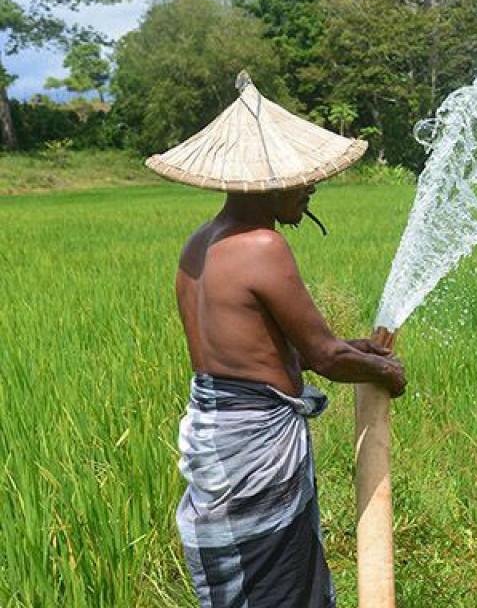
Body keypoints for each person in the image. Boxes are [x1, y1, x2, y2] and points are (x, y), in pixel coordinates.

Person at [147, 72, 406, 607]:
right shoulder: (262, 244)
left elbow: (261, 352)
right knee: (279, 588)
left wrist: (357, 349)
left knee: (251, 585)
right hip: (255, 445)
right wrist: (386, 371)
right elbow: (323, 357)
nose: (311, 186)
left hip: (220, 435)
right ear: (264, 181)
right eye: (300, 178)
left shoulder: (200, 243)